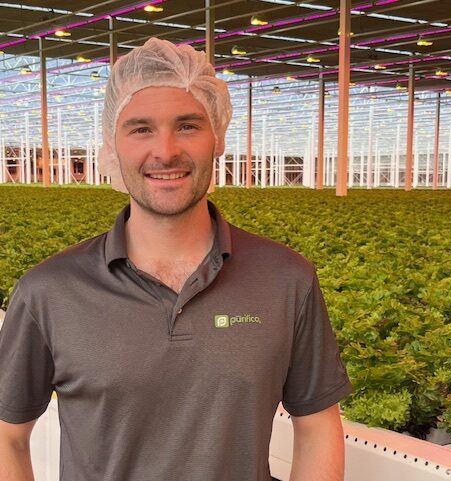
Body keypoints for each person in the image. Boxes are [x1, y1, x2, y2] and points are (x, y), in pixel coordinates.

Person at [0, 38, 352, 481]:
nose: (165, 151)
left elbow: (317, 424)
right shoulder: (48, 291)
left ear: (218, 136)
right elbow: (7, 436)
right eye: (141, 128)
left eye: (187, 125)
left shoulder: (286, 279)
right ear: (114, 143)